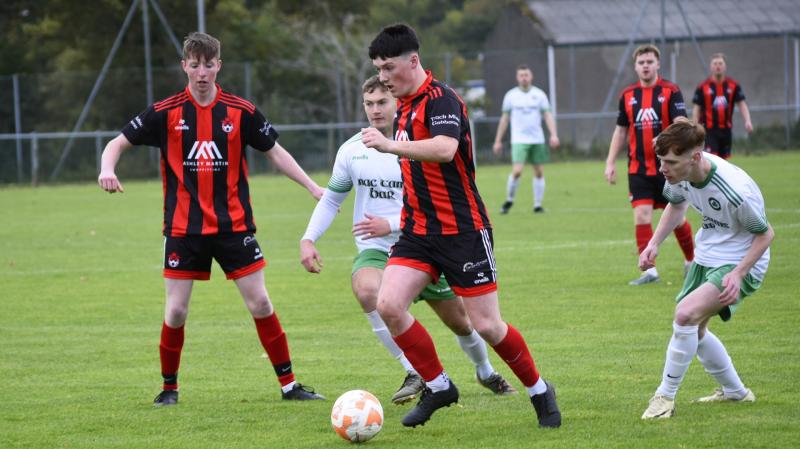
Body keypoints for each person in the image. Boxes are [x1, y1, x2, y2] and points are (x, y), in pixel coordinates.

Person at [97, 32, 326, 406]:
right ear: (184, 66)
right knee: (176, 310)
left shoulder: (241, 111)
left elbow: (276, 152)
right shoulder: (166, 112)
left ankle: (290, 386)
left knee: (261, 304)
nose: (201, 72)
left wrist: (312, 187)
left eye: (208, 64)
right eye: (194, 64)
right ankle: (169, 389)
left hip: (234, 226)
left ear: (218, 65)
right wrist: (108, 168)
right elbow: (117, 142)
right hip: (183, 230)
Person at [361, 23, 561, 429]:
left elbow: (445, 149)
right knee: (387, 305)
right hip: (418, 231)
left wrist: (390, 145)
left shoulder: (442, 99)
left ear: (412, 61)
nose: (382, 76)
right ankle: (439, 386)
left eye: (387, 67)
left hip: (463, 231)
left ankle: (540, 390)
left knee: (487, 325)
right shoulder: (403, 105)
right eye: (378, 69)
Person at [300, 76, 516, 405]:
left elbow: (436, 200)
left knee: (460, 320)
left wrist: (388, 223)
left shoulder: (417, 145)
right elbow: (332, 199)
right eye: (369, 104)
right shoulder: (352, 151)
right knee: (368, 290)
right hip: (378, 251)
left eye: (382, 102)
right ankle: (415, 370)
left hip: (425, 246)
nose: (375, 110)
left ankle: (485, 371)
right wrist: (309, 238)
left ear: (396, 101)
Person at [639, 118, 773, 419]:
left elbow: (765, 235)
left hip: (742, 259)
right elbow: (676, 205)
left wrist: (738, 274)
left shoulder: (734, 192)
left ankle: (664, 398)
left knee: (685, 314)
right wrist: (654, 243)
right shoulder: (679, 174)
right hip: (709, 253)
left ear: (695, 157)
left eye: (670, 162)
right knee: (695, 330)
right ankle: (736, 392)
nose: (663, 168)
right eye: (662, 161)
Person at [605, 44, 695, 286]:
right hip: (638, 169)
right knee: (642, 214)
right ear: (635, 67)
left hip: (670, 169)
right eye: (641, 62)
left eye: (649, 61)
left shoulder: (670, 91)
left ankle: (691, 260)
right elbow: (621, 131)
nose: (645, 65)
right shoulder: (628, 95)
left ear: (657, 65)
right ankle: (649, 271)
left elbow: (682, 123)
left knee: (676, 219)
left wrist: (667, 136)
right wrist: (610, 161)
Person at [493, 64, 560, 214]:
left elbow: (547, 115)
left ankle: (537, 205)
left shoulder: (539, 94)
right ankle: (509, 200)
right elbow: (504, 119)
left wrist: (554, 134)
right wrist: (498, 140)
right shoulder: (511, 96)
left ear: (531, 76)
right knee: (517, 171)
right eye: (521, 75)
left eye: (526, 75)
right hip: (519, 140)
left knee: (539, 172)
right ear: (517, 77)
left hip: (537, 139)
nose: (524, 78)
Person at [692, 53, 753, 160]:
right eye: (715, 64)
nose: (718, 66)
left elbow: (742, 104)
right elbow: (697, 108)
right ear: (711, 67)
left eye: (720, 63)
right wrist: (695, 126)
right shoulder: (703, 86)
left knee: (725, 161)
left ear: (725, 66)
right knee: (712, 160)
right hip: (709, 131)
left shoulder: (733, 85)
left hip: (726, 130)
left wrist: (747, 120)